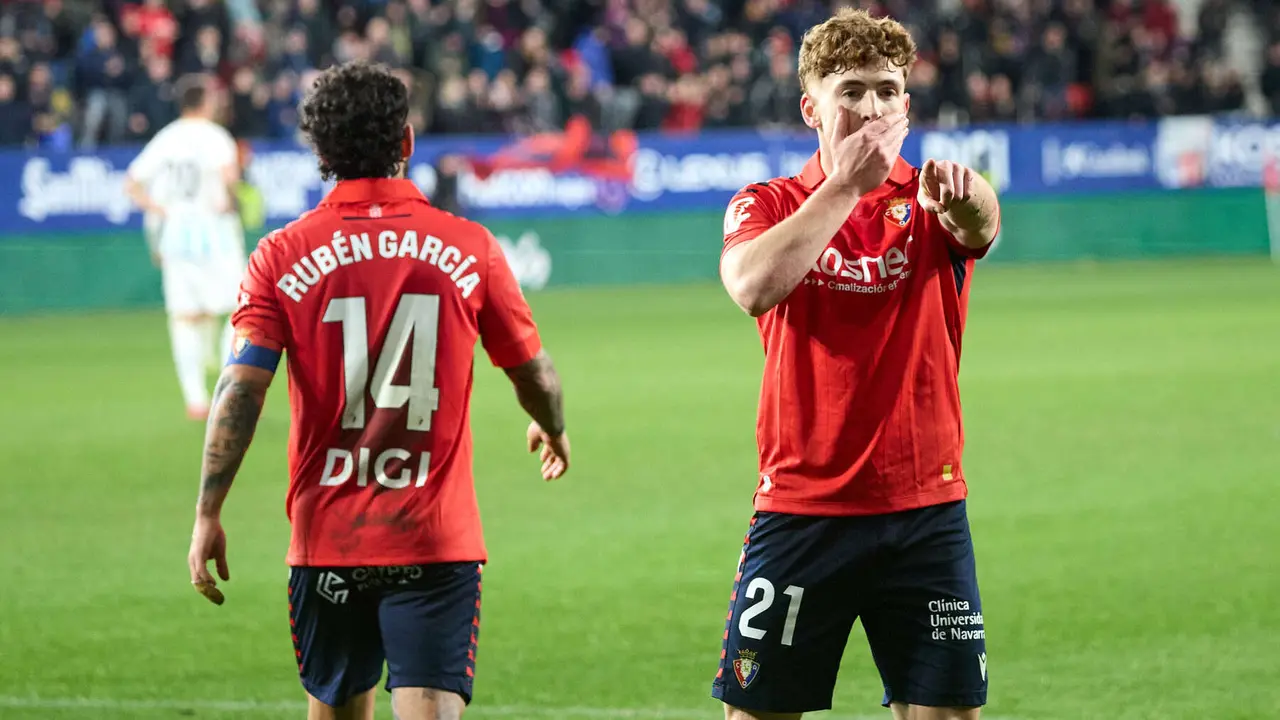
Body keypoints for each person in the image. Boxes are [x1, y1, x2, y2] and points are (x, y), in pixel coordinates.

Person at [184, 60, 571, 720]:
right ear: (408, 141)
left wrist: (207, 513)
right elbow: (535, 372)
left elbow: (239, 391)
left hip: (328, 540)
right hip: (434, 540)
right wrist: (551, 425)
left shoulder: (279, 256)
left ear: (320, 153)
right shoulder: (469, 247)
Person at [712, 9, 1001, 720]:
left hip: (926, 511)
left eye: (887, 90)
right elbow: (751, 286)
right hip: (803, 507)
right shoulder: (767, 203)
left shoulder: (929, 198)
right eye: (851, 91)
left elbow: (981, 222)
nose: (872, 108)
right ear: (811, 108)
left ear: (906, 104)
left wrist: (968, 199)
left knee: (948, 713)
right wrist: (844, 187)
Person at [125, 75, 247, 420]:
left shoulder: (166, 138)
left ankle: (195, 399)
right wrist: (233, 200)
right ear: (204, 101)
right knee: (240, 310)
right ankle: (228, 389)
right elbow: (229, 178)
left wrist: (162, 210)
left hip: (177, 234)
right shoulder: (216, 136)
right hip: (215, 231)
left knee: (184, 316)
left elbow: (131, 184)